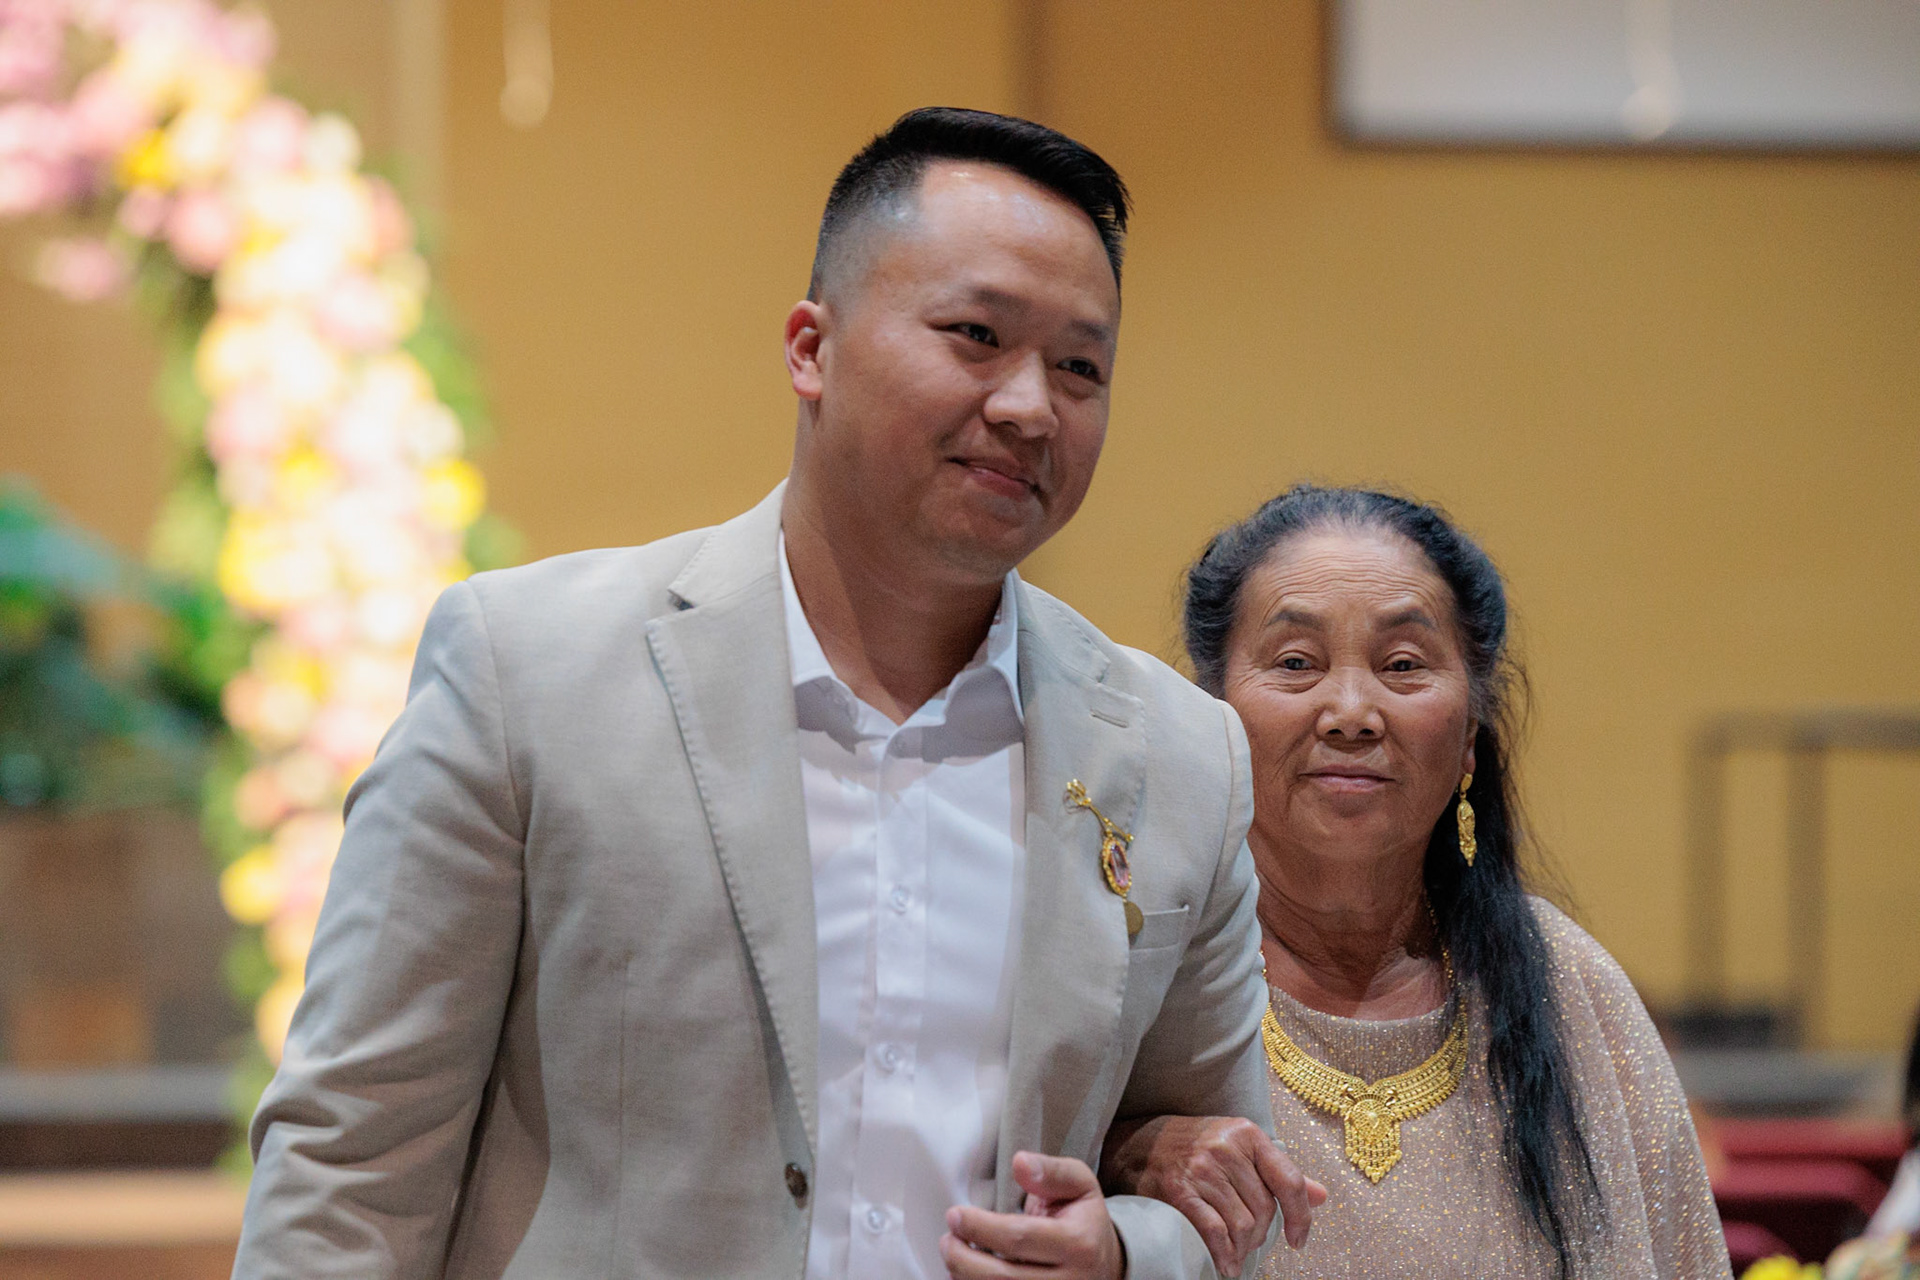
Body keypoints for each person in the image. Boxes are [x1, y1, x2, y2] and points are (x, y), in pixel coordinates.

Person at [231, 108, 1319, 1280]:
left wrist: (1121, 1252)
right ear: (812, 348)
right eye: (976, 335)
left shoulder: (1178, 753)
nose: (1029, 406)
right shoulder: (530, 671)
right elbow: (352, 1155)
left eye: (1080, 368)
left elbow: (1223, 1193)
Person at [1102, 485, 1731, 1278]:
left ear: (1470, 734)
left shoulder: (1575, 995)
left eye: (1403, 666)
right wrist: (1119, 1151)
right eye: (1296, 664)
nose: (1351, 712)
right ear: (1211, 717)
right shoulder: (1128, 973)